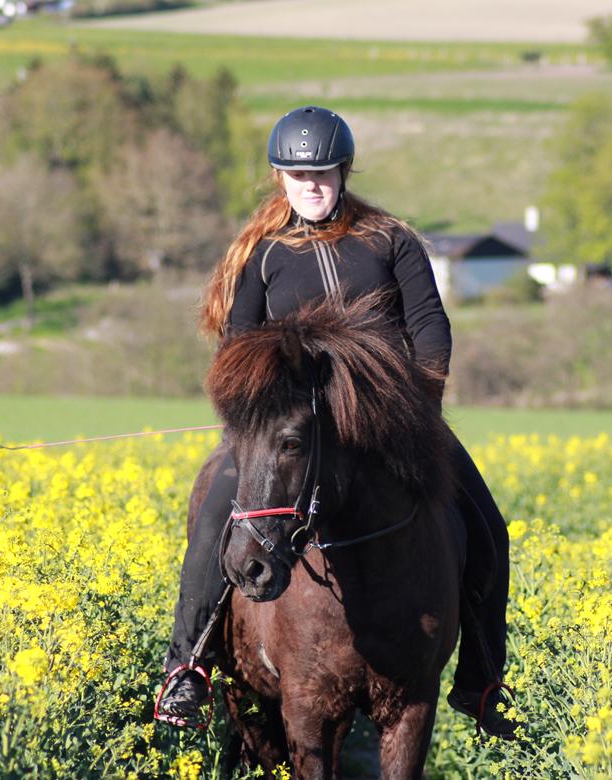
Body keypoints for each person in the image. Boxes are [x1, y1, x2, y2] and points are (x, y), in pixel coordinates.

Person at [159, 106, 517, 739]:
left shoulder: (391, 241)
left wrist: (418, 410)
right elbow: (239, 345)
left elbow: (429, 327)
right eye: (299, 176)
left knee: (486, 525)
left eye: (322, 173)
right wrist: (258, 410)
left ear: (343, 171)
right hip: (288, 428)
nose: (312, 186)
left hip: (389, 423)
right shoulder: (264, 256)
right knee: (218, 514)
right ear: (281, 178)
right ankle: (186, 667)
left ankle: (482, 680)